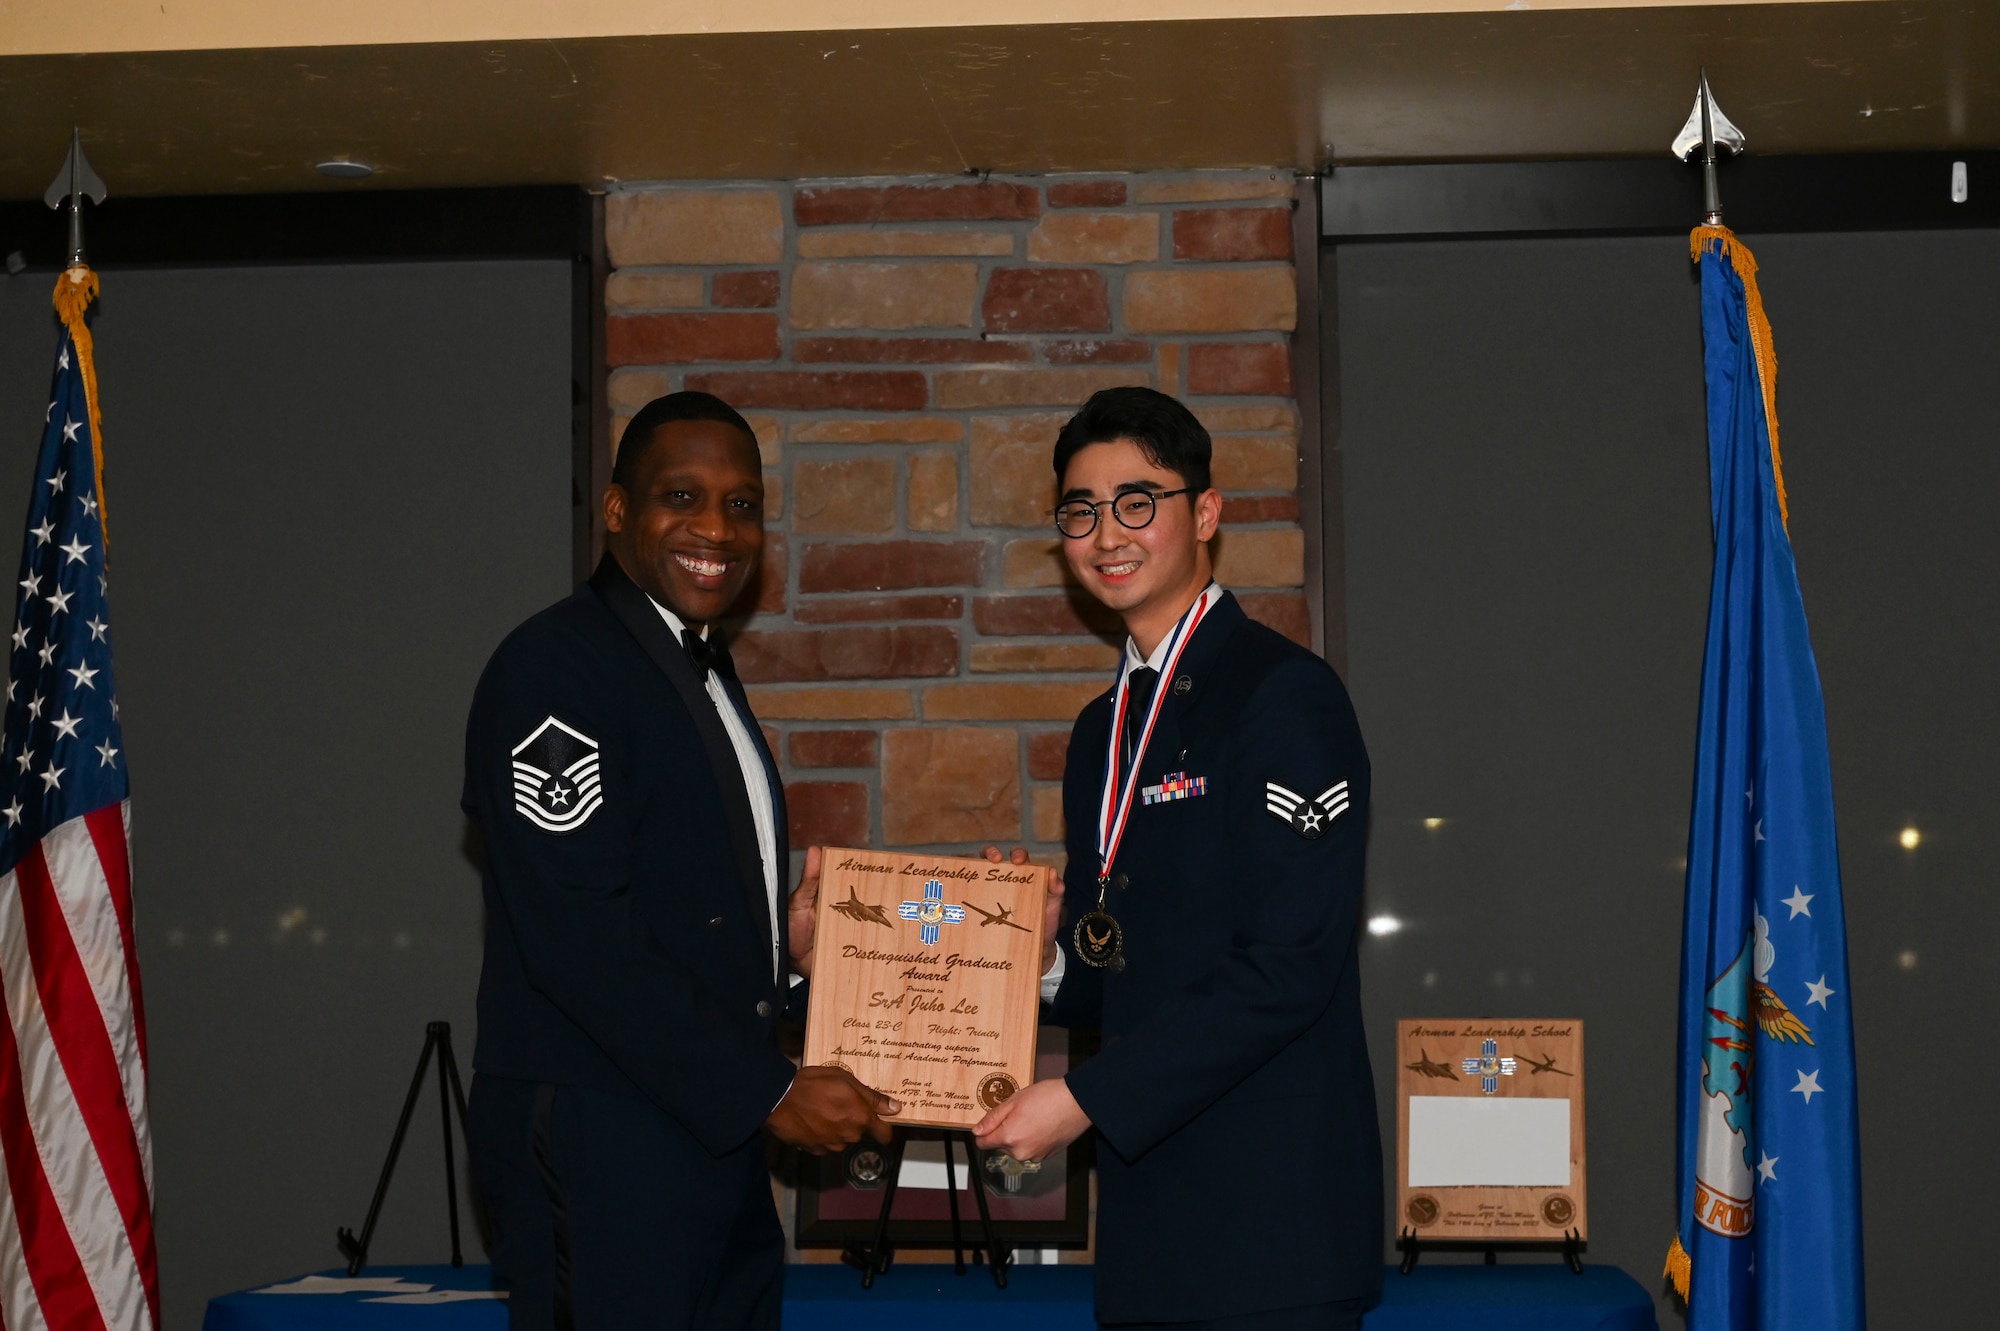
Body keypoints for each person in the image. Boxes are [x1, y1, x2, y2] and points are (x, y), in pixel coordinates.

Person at [461, 391, 897, 1330]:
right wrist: (771, 1090)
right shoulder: (557, 667)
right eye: (683, 496)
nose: (715, 528)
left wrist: (783, 951)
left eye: (742, 505)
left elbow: (667, 898)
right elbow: (576, 933)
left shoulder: (695, 663)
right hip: (599, 1127)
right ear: (617, 509)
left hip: (701, 1124)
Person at [974, 387, 1382, 1330]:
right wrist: (1041, 953)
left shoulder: (1285, 698)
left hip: (1271, 1235)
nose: (1105, 531)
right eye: (1080, 509)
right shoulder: (1098, 731)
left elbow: (1288, 966)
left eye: (1137, 499)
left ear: (1204, 513)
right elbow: (1117, 973)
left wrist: (1082, 1097)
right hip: (1151, 1230)